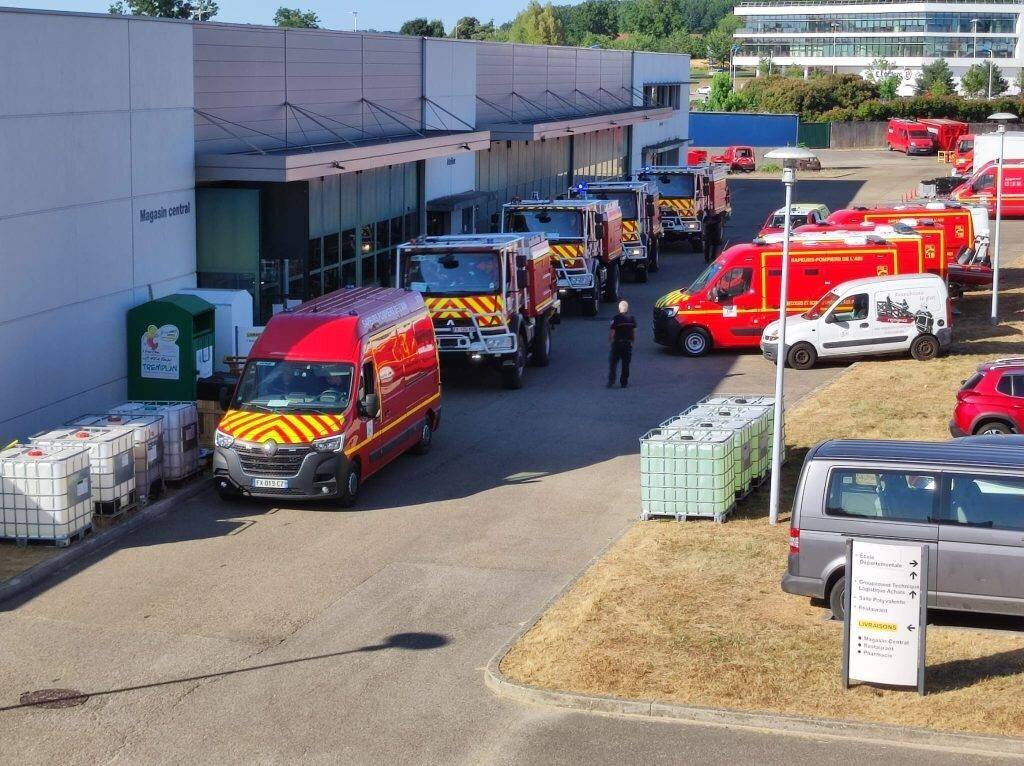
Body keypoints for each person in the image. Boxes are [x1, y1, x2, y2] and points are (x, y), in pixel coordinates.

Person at [608, 300, 637, 388]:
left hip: (617, 343)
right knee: (626, 364)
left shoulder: (616, 318)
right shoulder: (632, 319)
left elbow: (612, 332)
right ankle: (624, 382)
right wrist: (632, 341)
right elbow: (634, 331)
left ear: (619, 308)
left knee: (613, 363)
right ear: (627, 309)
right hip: (627, 344)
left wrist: (610, 342)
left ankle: (611, 380)